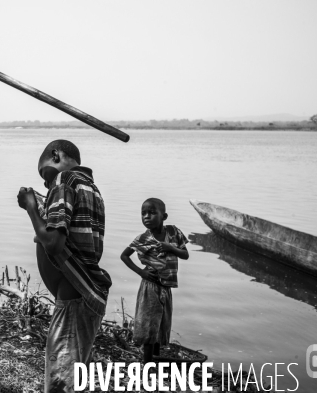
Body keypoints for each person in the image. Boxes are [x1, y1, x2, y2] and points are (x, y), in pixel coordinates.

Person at [16, 140, 112, 393]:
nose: (47, 185)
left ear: (56, 155)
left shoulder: (64, 180)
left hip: (73, 298)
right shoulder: (91, 187)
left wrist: (31, 208)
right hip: (85, 295)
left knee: (60, 383)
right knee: (74, 378)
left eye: (44, 177)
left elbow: (53, 242)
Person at [119, 198, 189, 364]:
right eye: (143, 213)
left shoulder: (173, 232)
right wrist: (141, 272)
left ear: (164, 216)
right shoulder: (143, 239)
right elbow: (124, 256)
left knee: (161, 325)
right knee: (150, 326)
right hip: (151, 286)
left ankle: (156, 359)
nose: (146, 216)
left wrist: (170, 248)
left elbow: (185, 255)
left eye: (152, 213)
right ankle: (148, 364)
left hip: (166, 287)